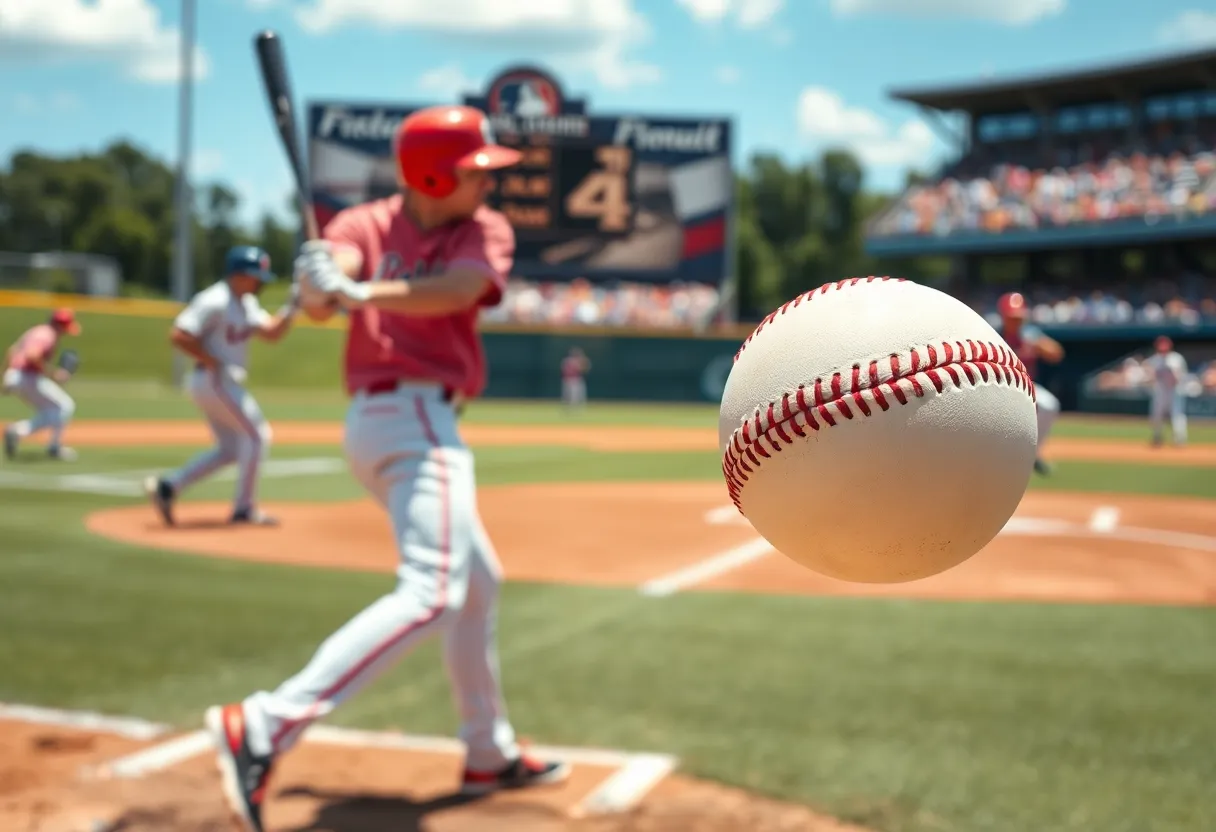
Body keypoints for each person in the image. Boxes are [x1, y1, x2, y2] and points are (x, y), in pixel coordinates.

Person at [203, 105, 569, 832]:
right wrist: (317, 282)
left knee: (475, 588)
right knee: (434, 590)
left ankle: (485, 752)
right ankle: (267, 726)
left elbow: (460, 290)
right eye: (475, 171)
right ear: (434, 174)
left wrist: (361, 292)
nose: (487, 182)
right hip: (404, 420)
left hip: (409, 420)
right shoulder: (362, 225)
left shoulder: (481, 229)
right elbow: (324, 290)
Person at [143, 246, 297, 526]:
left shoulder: (245, 302)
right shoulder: (214, 299)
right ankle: (244, 509)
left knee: (231, 449)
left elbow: (272, 333)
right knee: (258, 436)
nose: (260, 282)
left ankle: (169, 487)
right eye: (255, 276)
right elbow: (179, 334)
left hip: (219, 381)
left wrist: (293, 306)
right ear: (238, 274)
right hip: (215, 379)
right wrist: (211, 360)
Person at [997, 291, 1064, 475]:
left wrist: (1038, 343)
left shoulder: (1030, 335)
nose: (1016, 321)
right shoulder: (993, 334)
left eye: (1019, 317)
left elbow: (1056, 354)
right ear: (1003, 316)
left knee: (1049, 405)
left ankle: (1033, 454)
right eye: (1012, 317)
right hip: (998, 388)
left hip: (1026, 386)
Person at [2, 308, 82, 461]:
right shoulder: (48, 336)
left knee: (52, 410)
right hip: (27, 376)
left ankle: (18, 431)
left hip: (14, 375)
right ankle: (53, 447)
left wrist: (4, 378)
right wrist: (53, 374)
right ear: (60, 326)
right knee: (64, 406)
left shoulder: (35, 331)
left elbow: (11, 351)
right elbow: (33, 355)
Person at [1145, 335, 1188, 447]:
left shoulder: (1176, 358)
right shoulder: (1155, 359)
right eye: (1161, 345)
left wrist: (1173, 375)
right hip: (1160, 390)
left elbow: (1180, 377)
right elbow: (1150, 376)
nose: (1163, 347)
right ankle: (1157, 436)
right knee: (1157, 414)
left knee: (1177, 414)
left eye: (1165, 345)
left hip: (1175, 390)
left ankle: (1180, 439)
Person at [560, 346, 590, 411]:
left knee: (577, 395)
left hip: (576, 379)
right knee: (569, 395)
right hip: (570, 379)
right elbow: (565, 370)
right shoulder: (569, 361)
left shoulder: (578, 360)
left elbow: (585, 369)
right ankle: (570, 408)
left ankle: (575, 408)